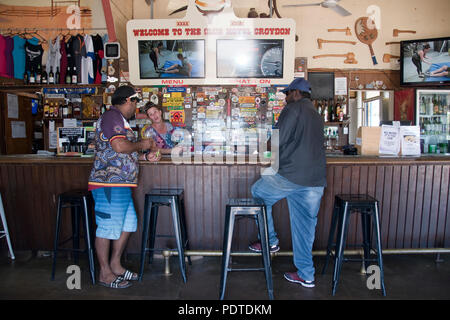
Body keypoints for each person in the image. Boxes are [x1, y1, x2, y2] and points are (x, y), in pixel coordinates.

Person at [248, 78, 326, 288]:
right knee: (304, 228)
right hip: (315, 181)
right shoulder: (316, 115)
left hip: (290, 176)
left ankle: (270, 240)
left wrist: (263, 153)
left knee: (258, 192)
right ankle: (306, 274)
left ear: (297, 93)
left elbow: (276, 140)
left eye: (287, 93)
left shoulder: (293, 109)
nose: (285, 98)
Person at [88, 85, 161, 289]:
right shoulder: (112, 117)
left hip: (121, 183)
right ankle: (104, 273)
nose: (135, 108)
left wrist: (145, 155)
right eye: (135, 103)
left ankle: (115, 265)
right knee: (107, 227)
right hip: (108, 183)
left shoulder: (120, 121)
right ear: (128, 100)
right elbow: (119, 146)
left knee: (129, 223)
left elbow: (125, 151)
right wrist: (143, 145)